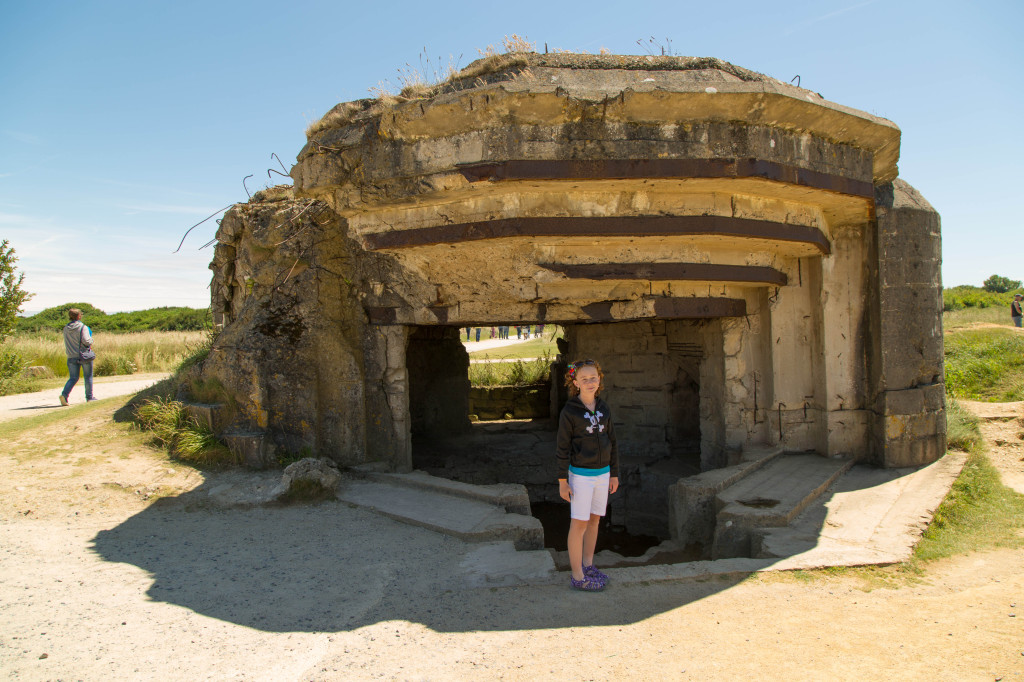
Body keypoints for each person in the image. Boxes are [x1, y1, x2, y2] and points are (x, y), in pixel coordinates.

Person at [556, 359, 619, 591]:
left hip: (603, 474)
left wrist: (614, 474)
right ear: (576, 382)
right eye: (584, 379)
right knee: (579, 523)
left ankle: (588, 565)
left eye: (593, 378)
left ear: (599, 379)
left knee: (594, 521)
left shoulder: (604, 408)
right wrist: (563, 481)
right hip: (581, 476)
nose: (590, 382)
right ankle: (577, 576)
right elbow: (562, 448)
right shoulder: (569, 411)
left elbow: (612, 441)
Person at [60, 308, 95, 405]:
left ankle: (64, 395)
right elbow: (86, 341)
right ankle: (89, 397)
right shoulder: (83, 327)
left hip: (71, 356)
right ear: (79, 316)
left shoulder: (66, 328)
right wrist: (92, 340)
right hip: (83, 355)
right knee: (88, 377)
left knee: (73, 378)